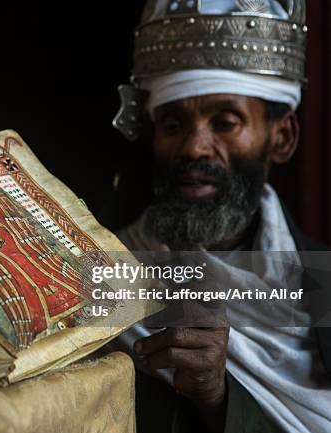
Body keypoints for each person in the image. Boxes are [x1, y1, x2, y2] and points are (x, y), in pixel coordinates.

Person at [110, 1, 331, 432]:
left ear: (281, 137)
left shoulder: (325, 283)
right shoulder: (107, 272)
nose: (194, 148)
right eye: (173, 126)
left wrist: (218, 397)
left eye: (225, 123)